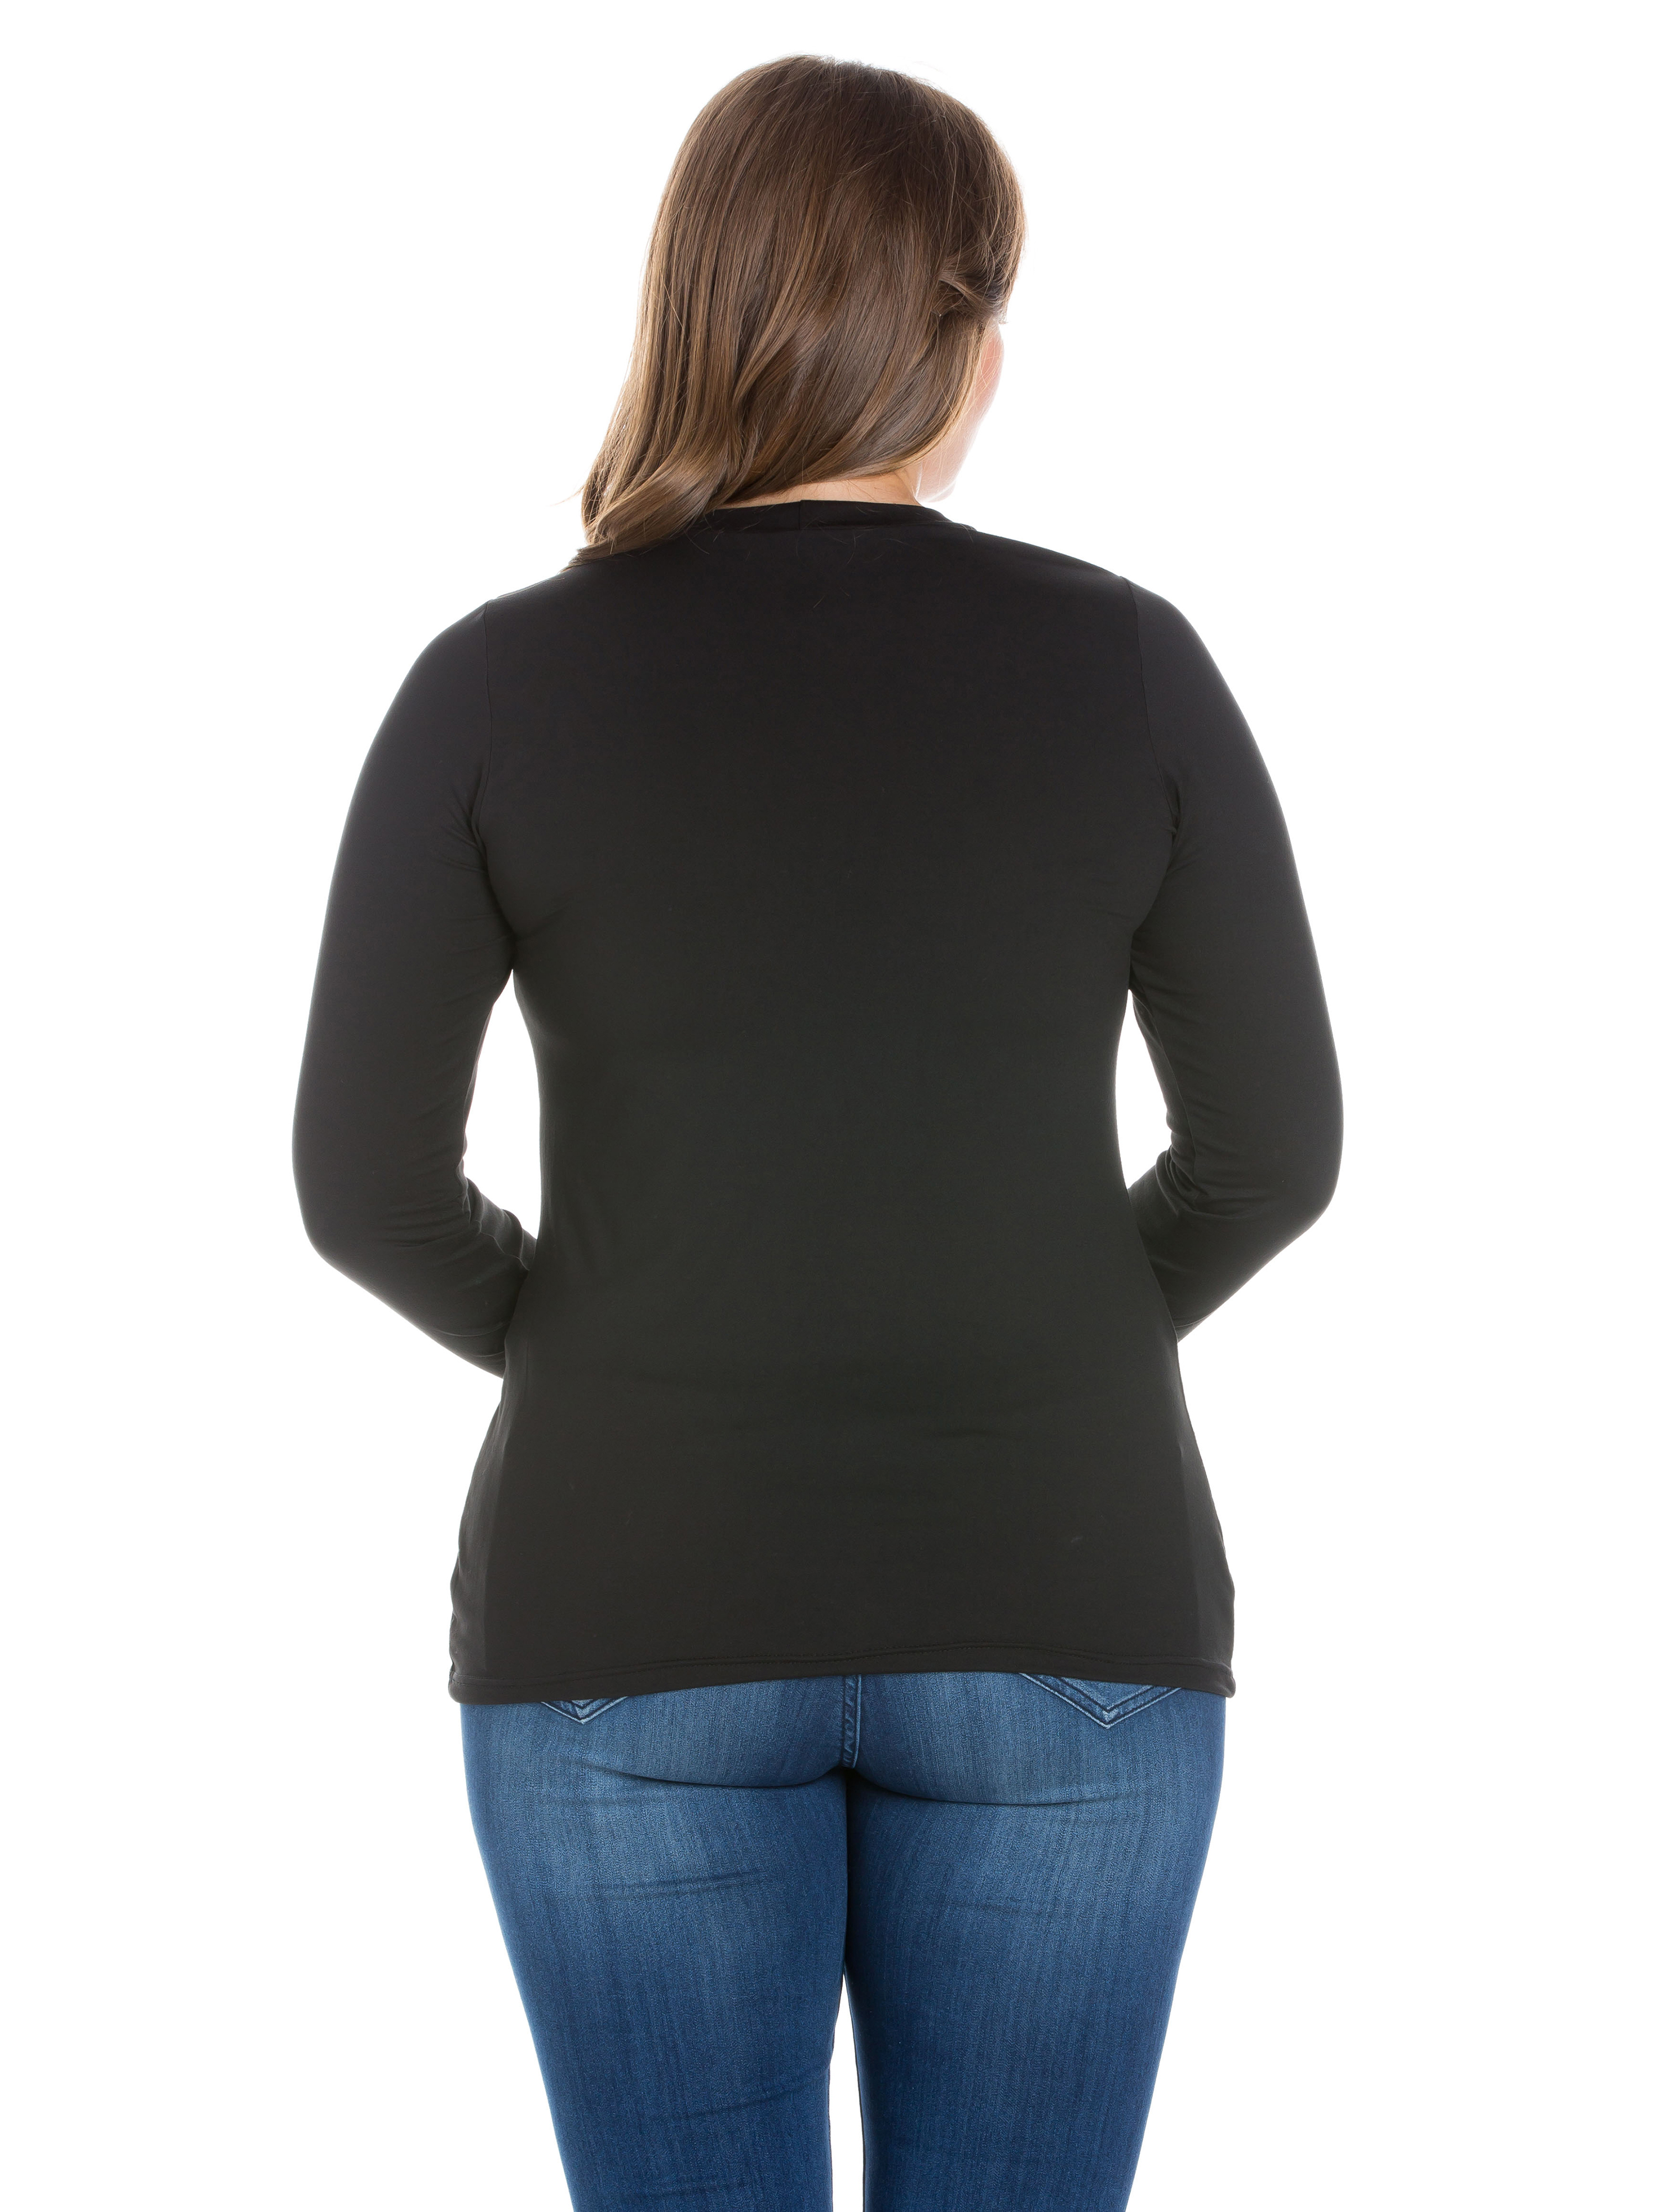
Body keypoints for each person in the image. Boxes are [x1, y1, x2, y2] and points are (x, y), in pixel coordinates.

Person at [293, 52, 1341, 2212]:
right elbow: (1274, 1150)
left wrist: (620, 1345)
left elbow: (365, 1186)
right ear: (956, 336)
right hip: (1066, 1601)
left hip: (628, 1603)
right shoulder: (1130, 668)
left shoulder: (495, 685)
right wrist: (1034, 1325)